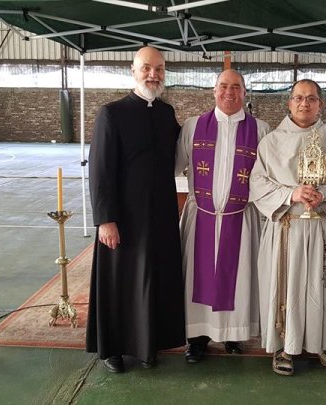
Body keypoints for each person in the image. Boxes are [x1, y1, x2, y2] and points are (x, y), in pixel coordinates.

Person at [250, 79, 326, 376]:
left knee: (319, 284)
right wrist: (292, 194)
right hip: (287, 226)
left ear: (319, 104)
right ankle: (283, 347)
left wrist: (325, 195)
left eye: (311, 98)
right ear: (289, 103)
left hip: (320, 224)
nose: (304, 103)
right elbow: (258, 183)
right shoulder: (272, 141)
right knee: (285, 286)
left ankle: (323, 342)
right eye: (298, 98)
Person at [87, 46, 185, 373]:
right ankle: (113, 349)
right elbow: (100, 171)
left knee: (152, 280)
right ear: (133, 70)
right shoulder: (111, 113)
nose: (153, 75)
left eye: (158, 69)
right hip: (123, 218)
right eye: (146, 68)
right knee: (121, 283)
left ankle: (149, 345)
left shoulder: (166, 113)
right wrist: (105, 220)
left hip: (160, 216)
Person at [175, 69, 270, 363]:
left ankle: (232, 334)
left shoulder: (261, 130)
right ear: (214, 90)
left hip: (240, 218)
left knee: (237, 278)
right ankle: (197, 338)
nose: (230, 93)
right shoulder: (193, 126)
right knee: (195, 280)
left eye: (236, 87)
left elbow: (269, 174)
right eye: (224, 86)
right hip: (200, 215)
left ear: (245, 92)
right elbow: (175, 166)